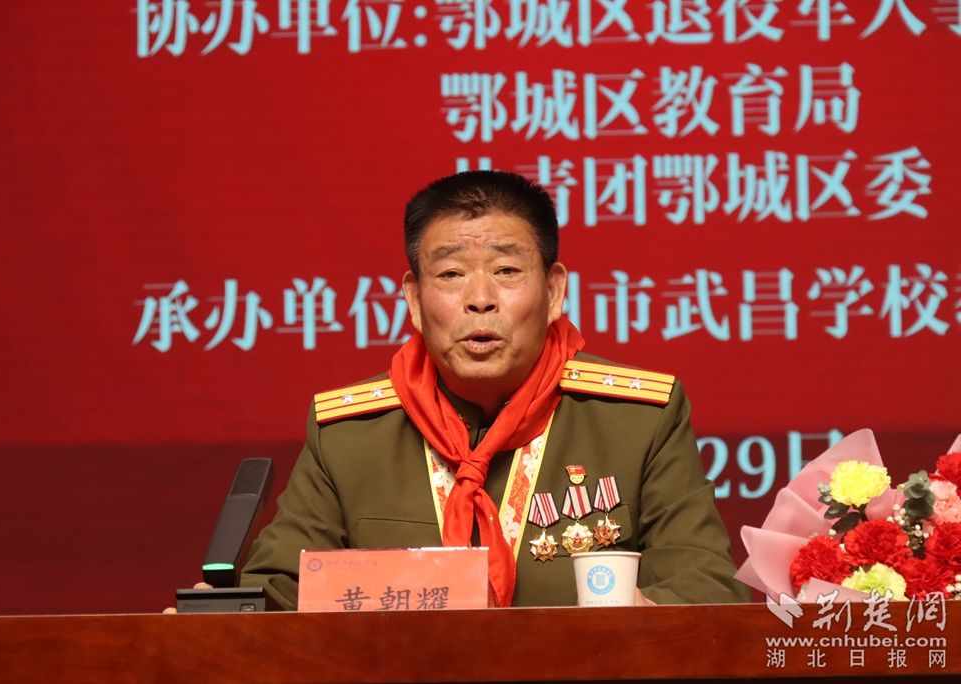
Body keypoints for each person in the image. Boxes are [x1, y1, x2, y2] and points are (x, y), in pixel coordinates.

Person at [239, 170, 750, 608]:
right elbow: (276, 593)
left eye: (506, 271)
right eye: (451, 273)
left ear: (554, 291)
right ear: (414, 300)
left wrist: (628, 623)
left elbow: (707, 586)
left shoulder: (637, 420)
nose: (480, 298)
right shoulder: (350, 435)